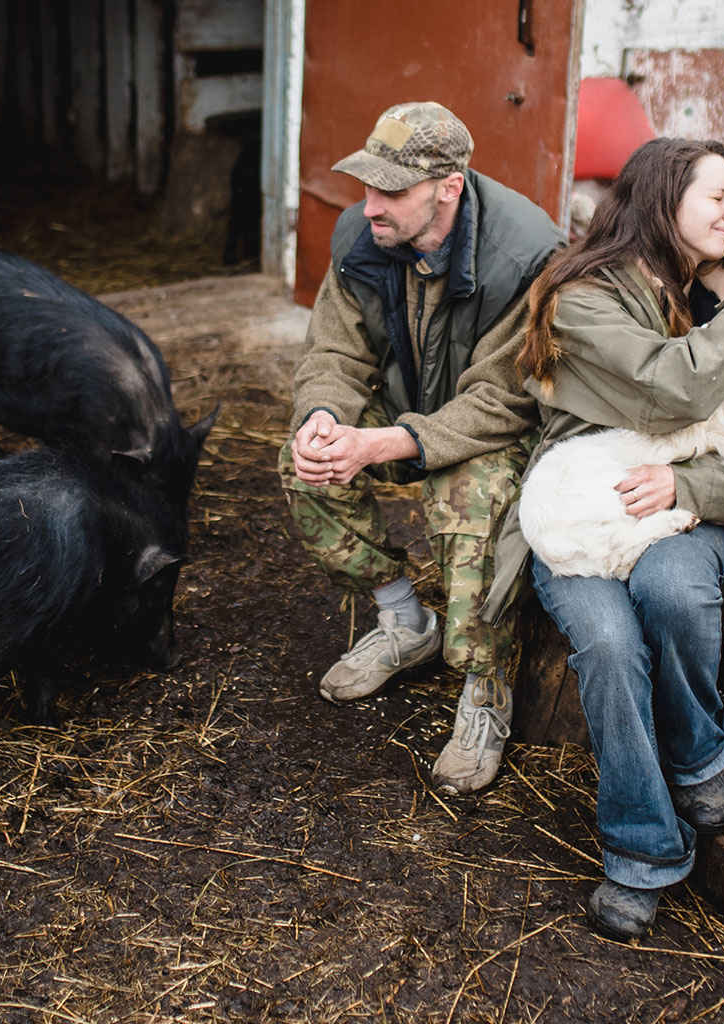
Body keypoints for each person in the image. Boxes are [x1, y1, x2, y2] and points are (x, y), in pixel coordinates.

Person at [482, 138, 724, 938]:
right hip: (587, 510)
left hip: (683, 506)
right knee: (604, 637)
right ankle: (643, 851)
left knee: (672, 589)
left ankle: (700, 752)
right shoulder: (585, 296)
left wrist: (694, 487)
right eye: (720, 199)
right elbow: (674, 388)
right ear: (665, 204)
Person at [280, 100, 563, 795]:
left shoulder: (526, 254)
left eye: (390, 189)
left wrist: (386, 443)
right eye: (366, 184)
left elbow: (503, 401)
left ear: (448, 187)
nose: (368, 204)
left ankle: (485, 685)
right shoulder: (360, 236)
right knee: (304, 461)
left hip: (497, 430)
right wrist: (324, 417)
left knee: (472, 498)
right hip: (411, 405)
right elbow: (333, 352)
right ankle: (407, 621)